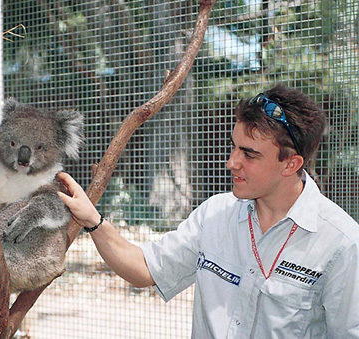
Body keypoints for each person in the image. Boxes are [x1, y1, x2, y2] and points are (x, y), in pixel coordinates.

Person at [58, 85, 359, 338]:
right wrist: (93, 220)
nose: (232, 162)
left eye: (249, 154)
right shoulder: (216, 214)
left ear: (291, 164)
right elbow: (145, 269)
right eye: (234, 147)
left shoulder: (341, 243)